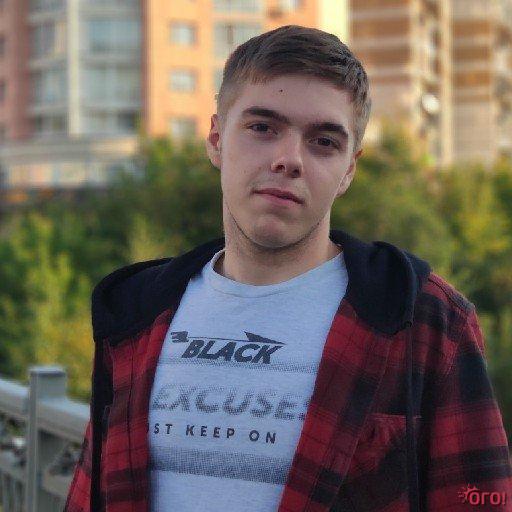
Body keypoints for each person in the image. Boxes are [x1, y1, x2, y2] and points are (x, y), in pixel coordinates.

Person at [64, 25, 512, 512]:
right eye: (263, 128)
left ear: (349, 169)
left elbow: (481, 498)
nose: (288, 159)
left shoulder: (422, 319)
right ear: (216, 139)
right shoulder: (138, 310)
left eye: (324, 141)